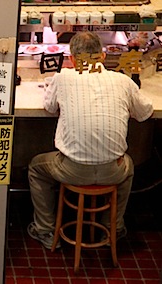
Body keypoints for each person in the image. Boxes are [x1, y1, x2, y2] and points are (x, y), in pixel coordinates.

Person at [27, 31, 153, 249]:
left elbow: (49, 107)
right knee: (129, 165)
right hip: (113, 170)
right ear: (103, 56)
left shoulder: (62, 77)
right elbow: (144, 113)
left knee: (36, 168)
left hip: (71, 169)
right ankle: (114, 227)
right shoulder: (122, 80)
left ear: (72, 58)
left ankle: (46, 230)